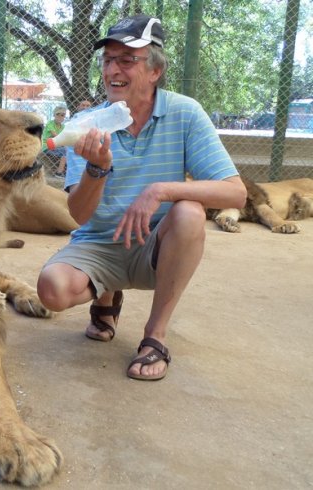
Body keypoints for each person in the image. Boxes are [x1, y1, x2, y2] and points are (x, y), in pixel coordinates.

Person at [36, 14, 246, 381]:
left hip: (155, 246)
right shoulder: (86, 125)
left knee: (189, 212)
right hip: (99, 243)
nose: (112, 70)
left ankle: (155, 336)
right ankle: (107, 293)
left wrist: (161, 190)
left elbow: (236, 193)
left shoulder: (185, 113)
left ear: (154, 71)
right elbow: (79, 215)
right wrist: (97, 168)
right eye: (107, 60)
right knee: (51, 290)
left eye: (126, 60)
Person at [42, 106, 67, 177]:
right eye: (57, 114)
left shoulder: (63, 126)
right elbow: (56, 136)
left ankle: (65, 170)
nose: (60, 117)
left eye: (62, 115)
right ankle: (59, 172)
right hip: (47, 146)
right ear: (54, 115)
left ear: (64, 117)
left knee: (69, 149)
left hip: (56, 145)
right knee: (65, 151)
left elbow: (63, 137)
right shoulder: (50, 123)